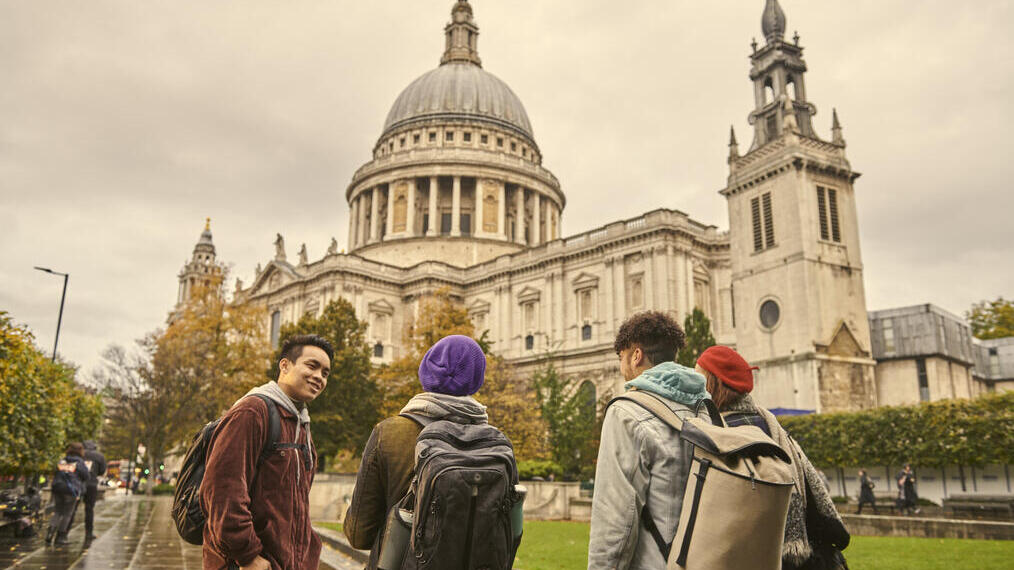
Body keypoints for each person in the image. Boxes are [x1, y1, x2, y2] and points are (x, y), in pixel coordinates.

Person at [344, 334, 492, 570]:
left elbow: (358, 534)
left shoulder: (390, 433)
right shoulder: (494, 441)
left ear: (426, 372)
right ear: (477, 379)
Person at [695, 345, 849, 570]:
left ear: (713, 384)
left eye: (698, 377)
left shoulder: (719, 433)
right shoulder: (774, 427)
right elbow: (814, 490)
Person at [588, 311, 710, 569]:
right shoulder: (705, 407)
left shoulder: (626, 412)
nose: (622, 369)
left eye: (621, 357)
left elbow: (615, 520)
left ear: (636, 355)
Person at [200, 334, 333, 570]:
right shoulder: (252, 412)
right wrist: (248, 555)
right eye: (312, 366)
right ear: (285, 365)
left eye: (325, 373)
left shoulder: (301, 425)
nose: (318, 377)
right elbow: (222, 491)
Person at [46, 442, 89, 546]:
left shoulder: (63, 461)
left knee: (57, 511)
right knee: (67, 513)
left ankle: (49, 533)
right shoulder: (80, 463)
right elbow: (86, 476)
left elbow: (56, 473)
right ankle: (60, 537)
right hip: (71, 490)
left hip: (58, 488)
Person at [81, 440, 107, 540]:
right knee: (89, 509)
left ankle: (63, 533)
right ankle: (89, 532)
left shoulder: (80, 455)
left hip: (79, 484)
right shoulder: (99, 456)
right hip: (91, 484)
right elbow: (102, 470)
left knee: (72, 509)